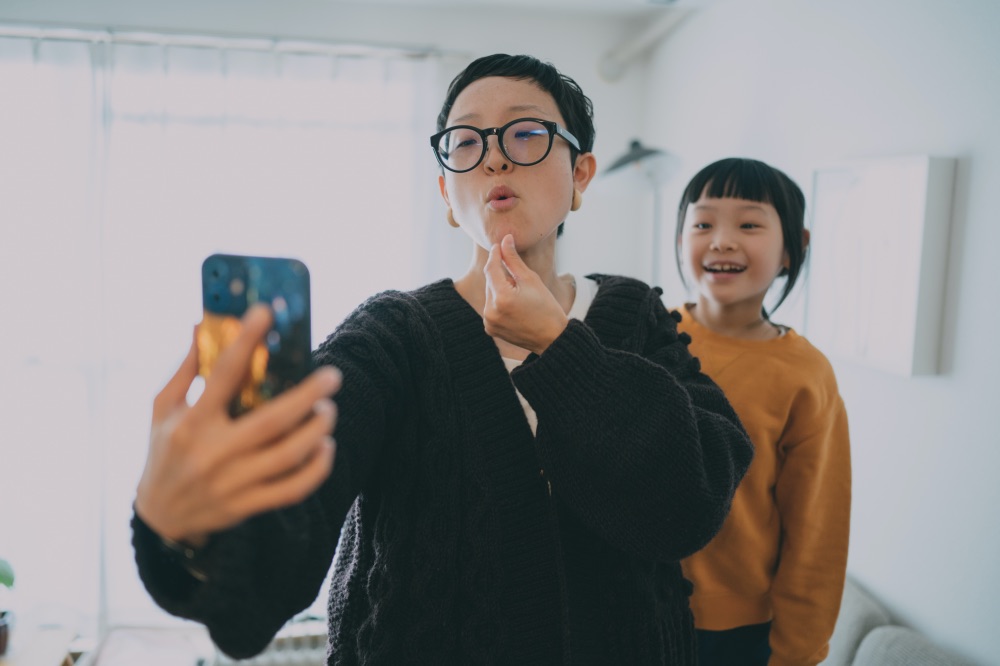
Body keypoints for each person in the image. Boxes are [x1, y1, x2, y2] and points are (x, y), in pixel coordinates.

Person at [131, 54, 754, 665]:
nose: (496, 155)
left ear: (582, 176)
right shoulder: (392, 335)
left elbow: (692, 504)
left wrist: (561, 348)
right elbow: (287, 532)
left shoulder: (636, 315)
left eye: (527, 132)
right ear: (447, 195)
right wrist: (189, 532)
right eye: (466, 141)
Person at [672, 157, 852, 666]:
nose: (722, 240)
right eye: (703, 223)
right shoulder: (646, 333)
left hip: (734, 634)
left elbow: (816, 533)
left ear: (795, 248)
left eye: (748, 224)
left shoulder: (804, 375)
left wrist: (798, 653)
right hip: (627, 601)